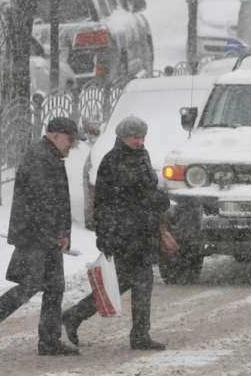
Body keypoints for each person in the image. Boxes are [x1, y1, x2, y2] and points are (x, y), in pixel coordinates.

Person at [0, 117, 85, 356]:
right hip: (35, 235)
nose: (72, 145)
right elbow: (43, 201)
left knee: (55, 287)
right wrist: (57, 232)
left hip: (46, 235)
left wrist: (62, 233)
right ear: (55, 135)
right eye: (70, 140)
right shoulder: (40, 157)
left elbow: (55, 201)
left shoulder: (50, 156)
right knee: (31, 284)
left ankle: (49, 341)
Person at [61, 116, 170, 351]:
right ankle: (138, 334)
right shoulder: (113, 161)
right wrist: (106, 237)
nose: (140, 141)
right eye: (135, 137)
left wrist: (157, 199)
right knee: (136, 281)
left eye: (142, 137)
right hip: (125, 234)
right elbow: (106, 204)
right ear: (122, 137)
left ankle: (78, 315)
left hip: (142, 231)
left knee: (131, 282)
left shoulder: (142, 155)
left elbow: (145, 189)